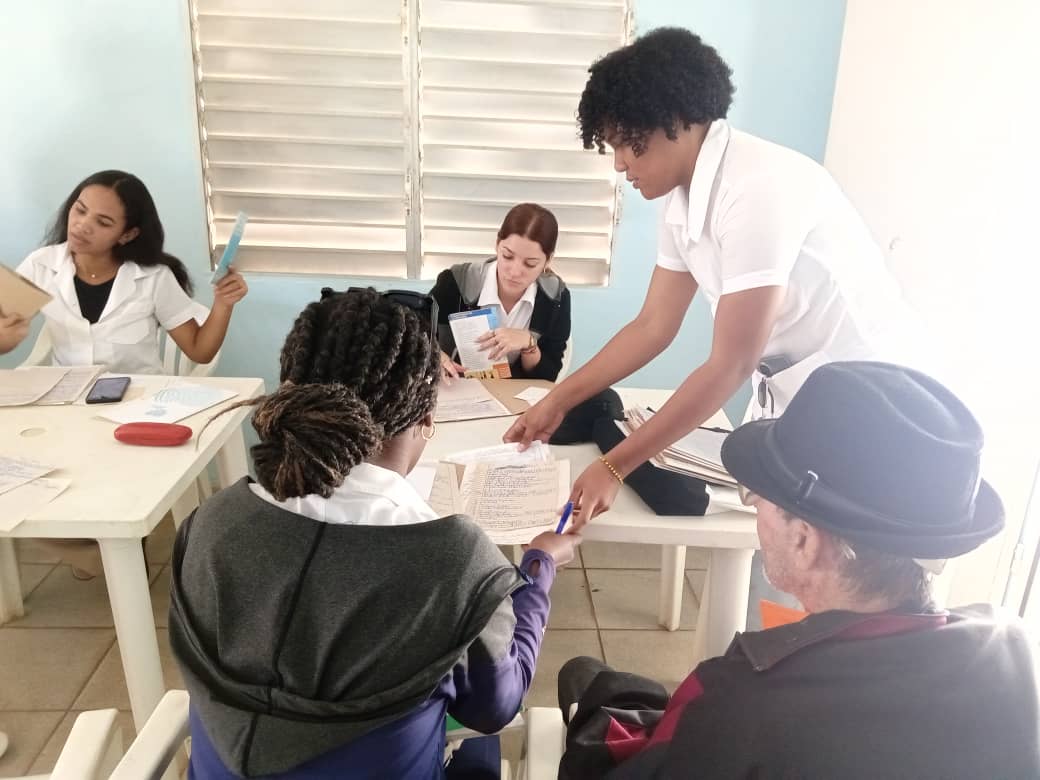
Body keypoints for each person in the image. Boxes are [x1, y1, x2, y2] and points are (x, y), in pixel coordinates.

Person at [504, 28, 928, 525]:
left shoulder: (756, 188)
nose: (619, 165)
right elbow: (653, 326)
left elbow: (731, 364)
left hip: (878, 413)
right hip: (803, 400)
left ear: (674, 123)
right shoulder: (680, 200)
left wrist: (615, 467)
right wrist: (558, 399)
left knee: (849, 564)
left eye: (626, 146)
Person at [169, 287, 581, 779]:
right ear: (427, 418)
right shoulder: (455, 563)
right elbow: (496, 707)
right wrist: (537, 568)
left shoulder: (212, 525)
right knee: (480, 754)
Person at [556, 361, 1039, 779]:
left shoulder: (741, 700)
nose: (755, 507)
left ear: (805, 539)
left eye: (756, 496)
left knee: (585, 677)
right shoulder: (1012, 652)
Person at [12, 170, 248, 374]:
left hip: (138, 403)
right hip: (69, 404)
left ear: (128, 234)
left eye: (102, 223)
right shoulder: (40, 265)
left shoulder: (154, 277)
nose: (82, 225)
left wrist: (223, 304)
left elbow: (199, 351)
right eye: (80, 210)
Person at [431, 202, 571, 382]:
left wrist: (529, 345)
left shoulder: (555, 298)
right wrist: (435, 356)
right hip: (456, 391)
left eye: (530, 264)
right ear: (497, 244)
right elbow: (417, 333)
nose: (514, 272)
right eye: (507, 256)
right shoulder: (456, 282)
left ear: (548, 260)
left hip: (514, 401)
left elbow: (548, 376)